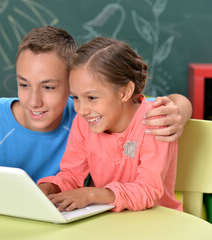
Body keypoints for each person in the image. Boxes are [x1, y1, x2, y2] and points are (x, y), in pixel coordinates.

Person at [0, 26, 191, 197]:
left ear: (70, 83)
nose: (34, 101)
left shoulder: (91, 115)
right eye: (23, 84)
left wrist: (180, 107)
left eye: (49, 87)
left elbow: (145, 107)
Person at [38, 37, 183, 213]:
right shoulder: (84, 122)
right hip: (108, 221)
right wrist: (47, 188)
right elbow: (71, 174)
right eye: (75, 97)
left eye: (91, 98)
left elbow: (147, 191)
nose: (81, 110)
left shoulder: (156, 122)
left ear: (125, 92)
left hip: (158, 222)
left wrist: (91, 195)